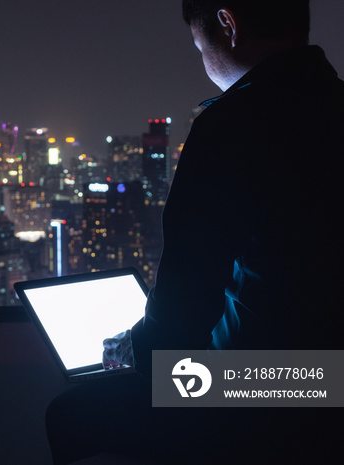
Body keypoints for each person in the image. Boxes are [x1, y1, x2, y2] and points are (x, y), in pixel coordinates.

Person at [46, 1, 344, 463]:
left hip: (269, 385)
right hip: (334, 382)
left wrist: (141, 348)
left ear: (227, 23)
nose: (203, 61)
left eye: (199, 46)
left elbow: (189, 288)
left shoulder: (231, 125)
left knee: (73, 415)